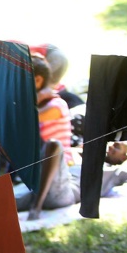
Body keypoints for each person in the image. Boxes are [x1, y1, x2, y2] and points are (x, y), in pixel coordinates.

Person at [17, 57, 80, 221]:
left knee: (53, 145)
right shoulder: (39, 103)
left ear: (38, 80)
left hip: (60, 179)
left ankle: (36, 207)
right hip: (37, 182)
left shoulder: (56, 105)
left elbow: (22, 117)